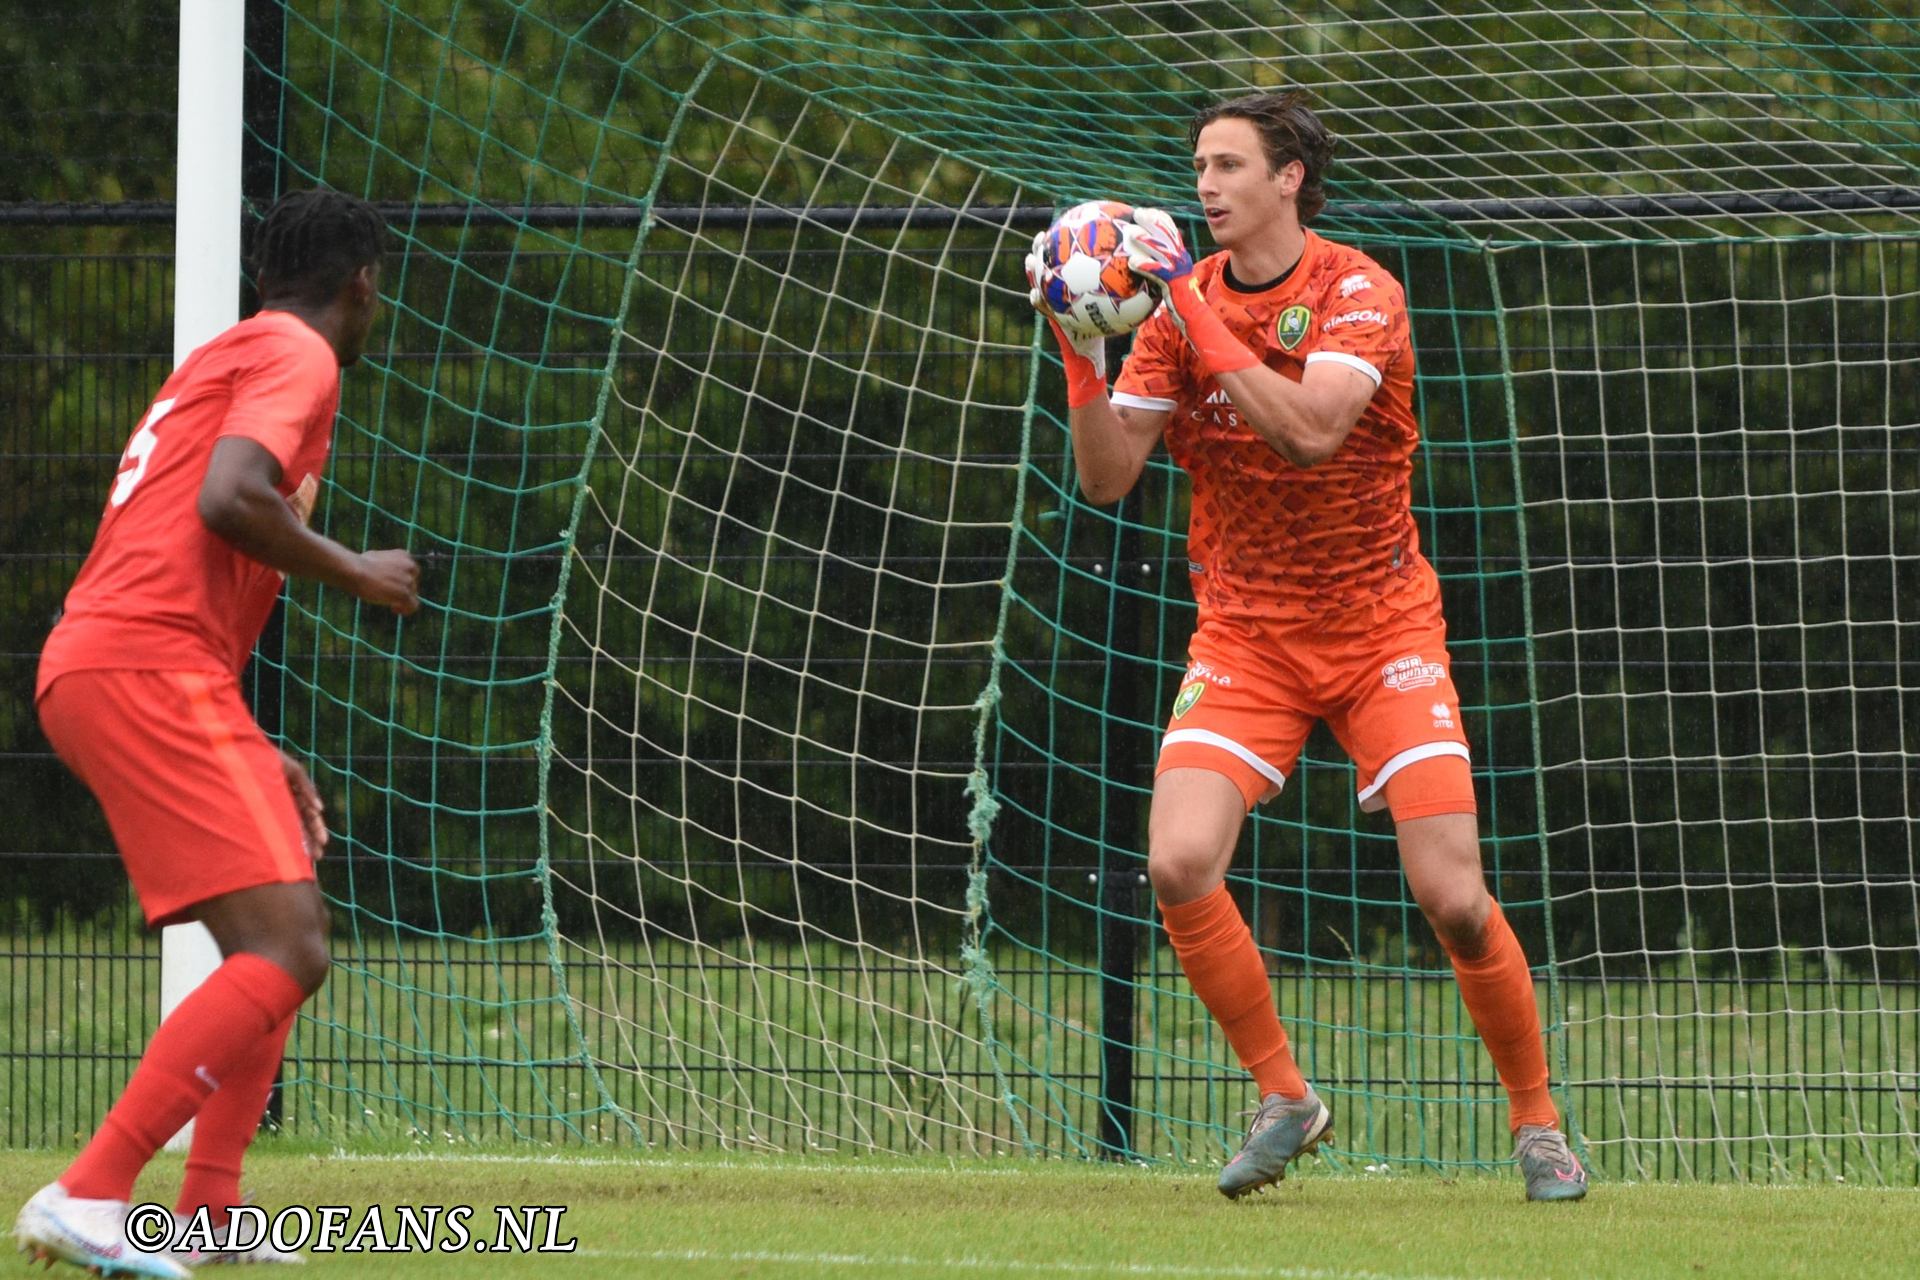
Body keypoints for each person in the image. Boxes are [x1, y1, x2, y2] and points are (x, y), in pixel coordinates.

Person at [1026, 91, 1587, 1203]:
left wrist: (1186, 305)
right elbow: (1105, 476)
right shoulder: (1175, 316)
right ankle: (1284, 1094)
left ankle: (1538, 1123)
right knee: (1177, 861)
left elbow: (1312, 433)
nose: (1205, 186)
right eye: (1196, 166)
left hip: (1382, 631)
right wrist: (1081, 348)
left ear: (1289, 178)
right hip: (1246, 635)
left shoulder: (1355, 289)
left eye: (1229, 165)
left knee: (1456, 899)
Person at [13, 188, 421, 1275]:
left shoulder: (234, 349)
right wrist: (358, 571)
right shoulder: (300, 354)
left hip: (126, 663)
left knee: (272, 921)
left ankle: (211, 1212)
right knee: (292, 944)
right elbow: (229, 498)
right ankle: (91, 1190)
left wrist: (248, 734)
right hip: (141, 663)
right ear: (363, 285)